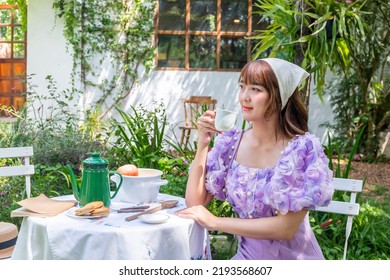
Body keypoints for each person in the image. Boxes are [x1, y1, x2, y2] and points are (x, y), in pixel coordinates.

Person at [176, 58, 334, 260]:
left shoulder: (301, 150)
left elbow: (285, 228)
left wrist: (215, 222)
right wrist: (203, 144)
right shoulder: (232, 144)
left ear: (278, 97)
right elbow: (195, 203)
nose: (244, 97)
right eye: (242, 87)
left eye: (256, 89)